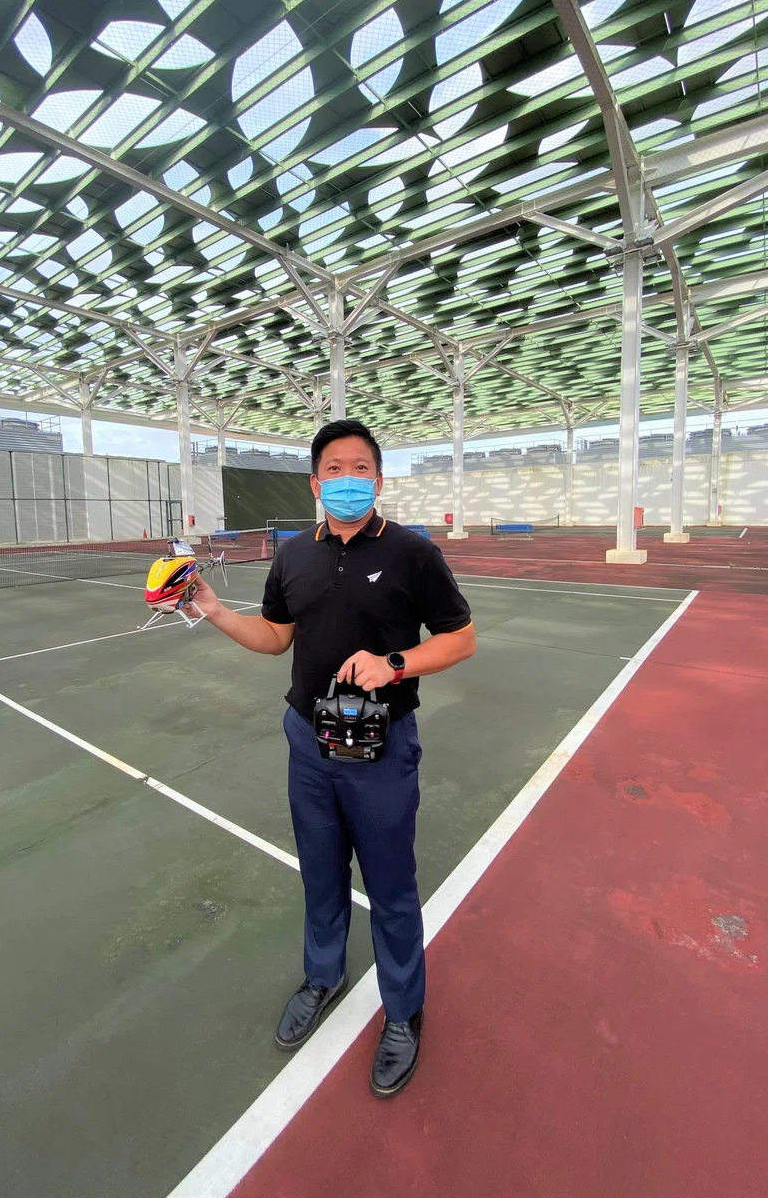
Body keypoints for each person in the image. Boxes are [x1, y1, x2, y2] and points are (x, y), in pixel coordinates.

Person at [191, 419, 476, 1097]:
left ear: (378, 479)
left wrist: (394, 663)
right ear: (316, 485)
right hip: (308, 742)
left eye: (361, 468)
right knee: (320, 873)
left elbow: (460, 639)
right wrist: (215, 610)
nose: (348, 480)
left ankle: (403, 1010)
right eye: (334, 470)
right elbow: (275, 637)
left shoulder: (412, 553)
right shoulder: (292, 556)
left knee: (391, 886)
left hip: (381, 746)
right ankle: (323, 977)